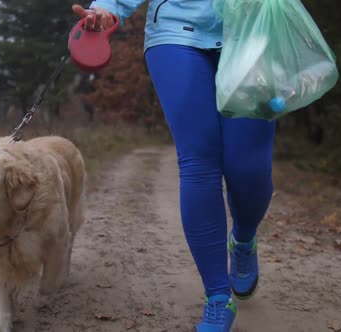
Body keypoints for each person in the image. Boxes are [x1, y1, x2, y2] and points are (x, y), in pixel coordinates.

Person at [72, 1, 276, 331]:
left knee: (248, 169)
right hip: (177, 34)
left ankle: (243, 238)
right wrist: (107, 8)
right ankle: (217, 297)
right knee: (198, 161)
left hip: (252, 32)